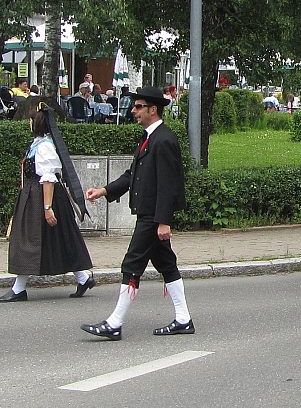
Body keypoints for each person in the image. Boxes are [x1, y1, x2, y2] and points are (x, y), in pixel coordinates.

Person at [81, 86, 192, 340]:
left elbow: (169, 184)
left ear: (153, 110)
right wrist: (104, 190)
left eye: (138, 106)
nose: (134, 110)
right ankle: (183, 319)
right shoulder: (150, 138)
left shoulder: (164, 140)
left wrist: (164, 221)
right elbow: (133, 175)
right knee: (166, 264)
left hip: (153, 216)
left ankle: (115, 323)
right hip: (148, 213)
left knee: (131, 264)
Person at [1, 106, 95, 302]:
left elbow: (48, 178)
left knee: (28, 241)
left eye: (31, 120)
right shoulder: (38, 143)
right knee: (59, 238)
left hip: (44, 197)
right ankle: (83, 277)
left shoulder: (44, 146)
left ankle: (19, 288)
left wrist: (47, 207)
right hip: (35, 195)